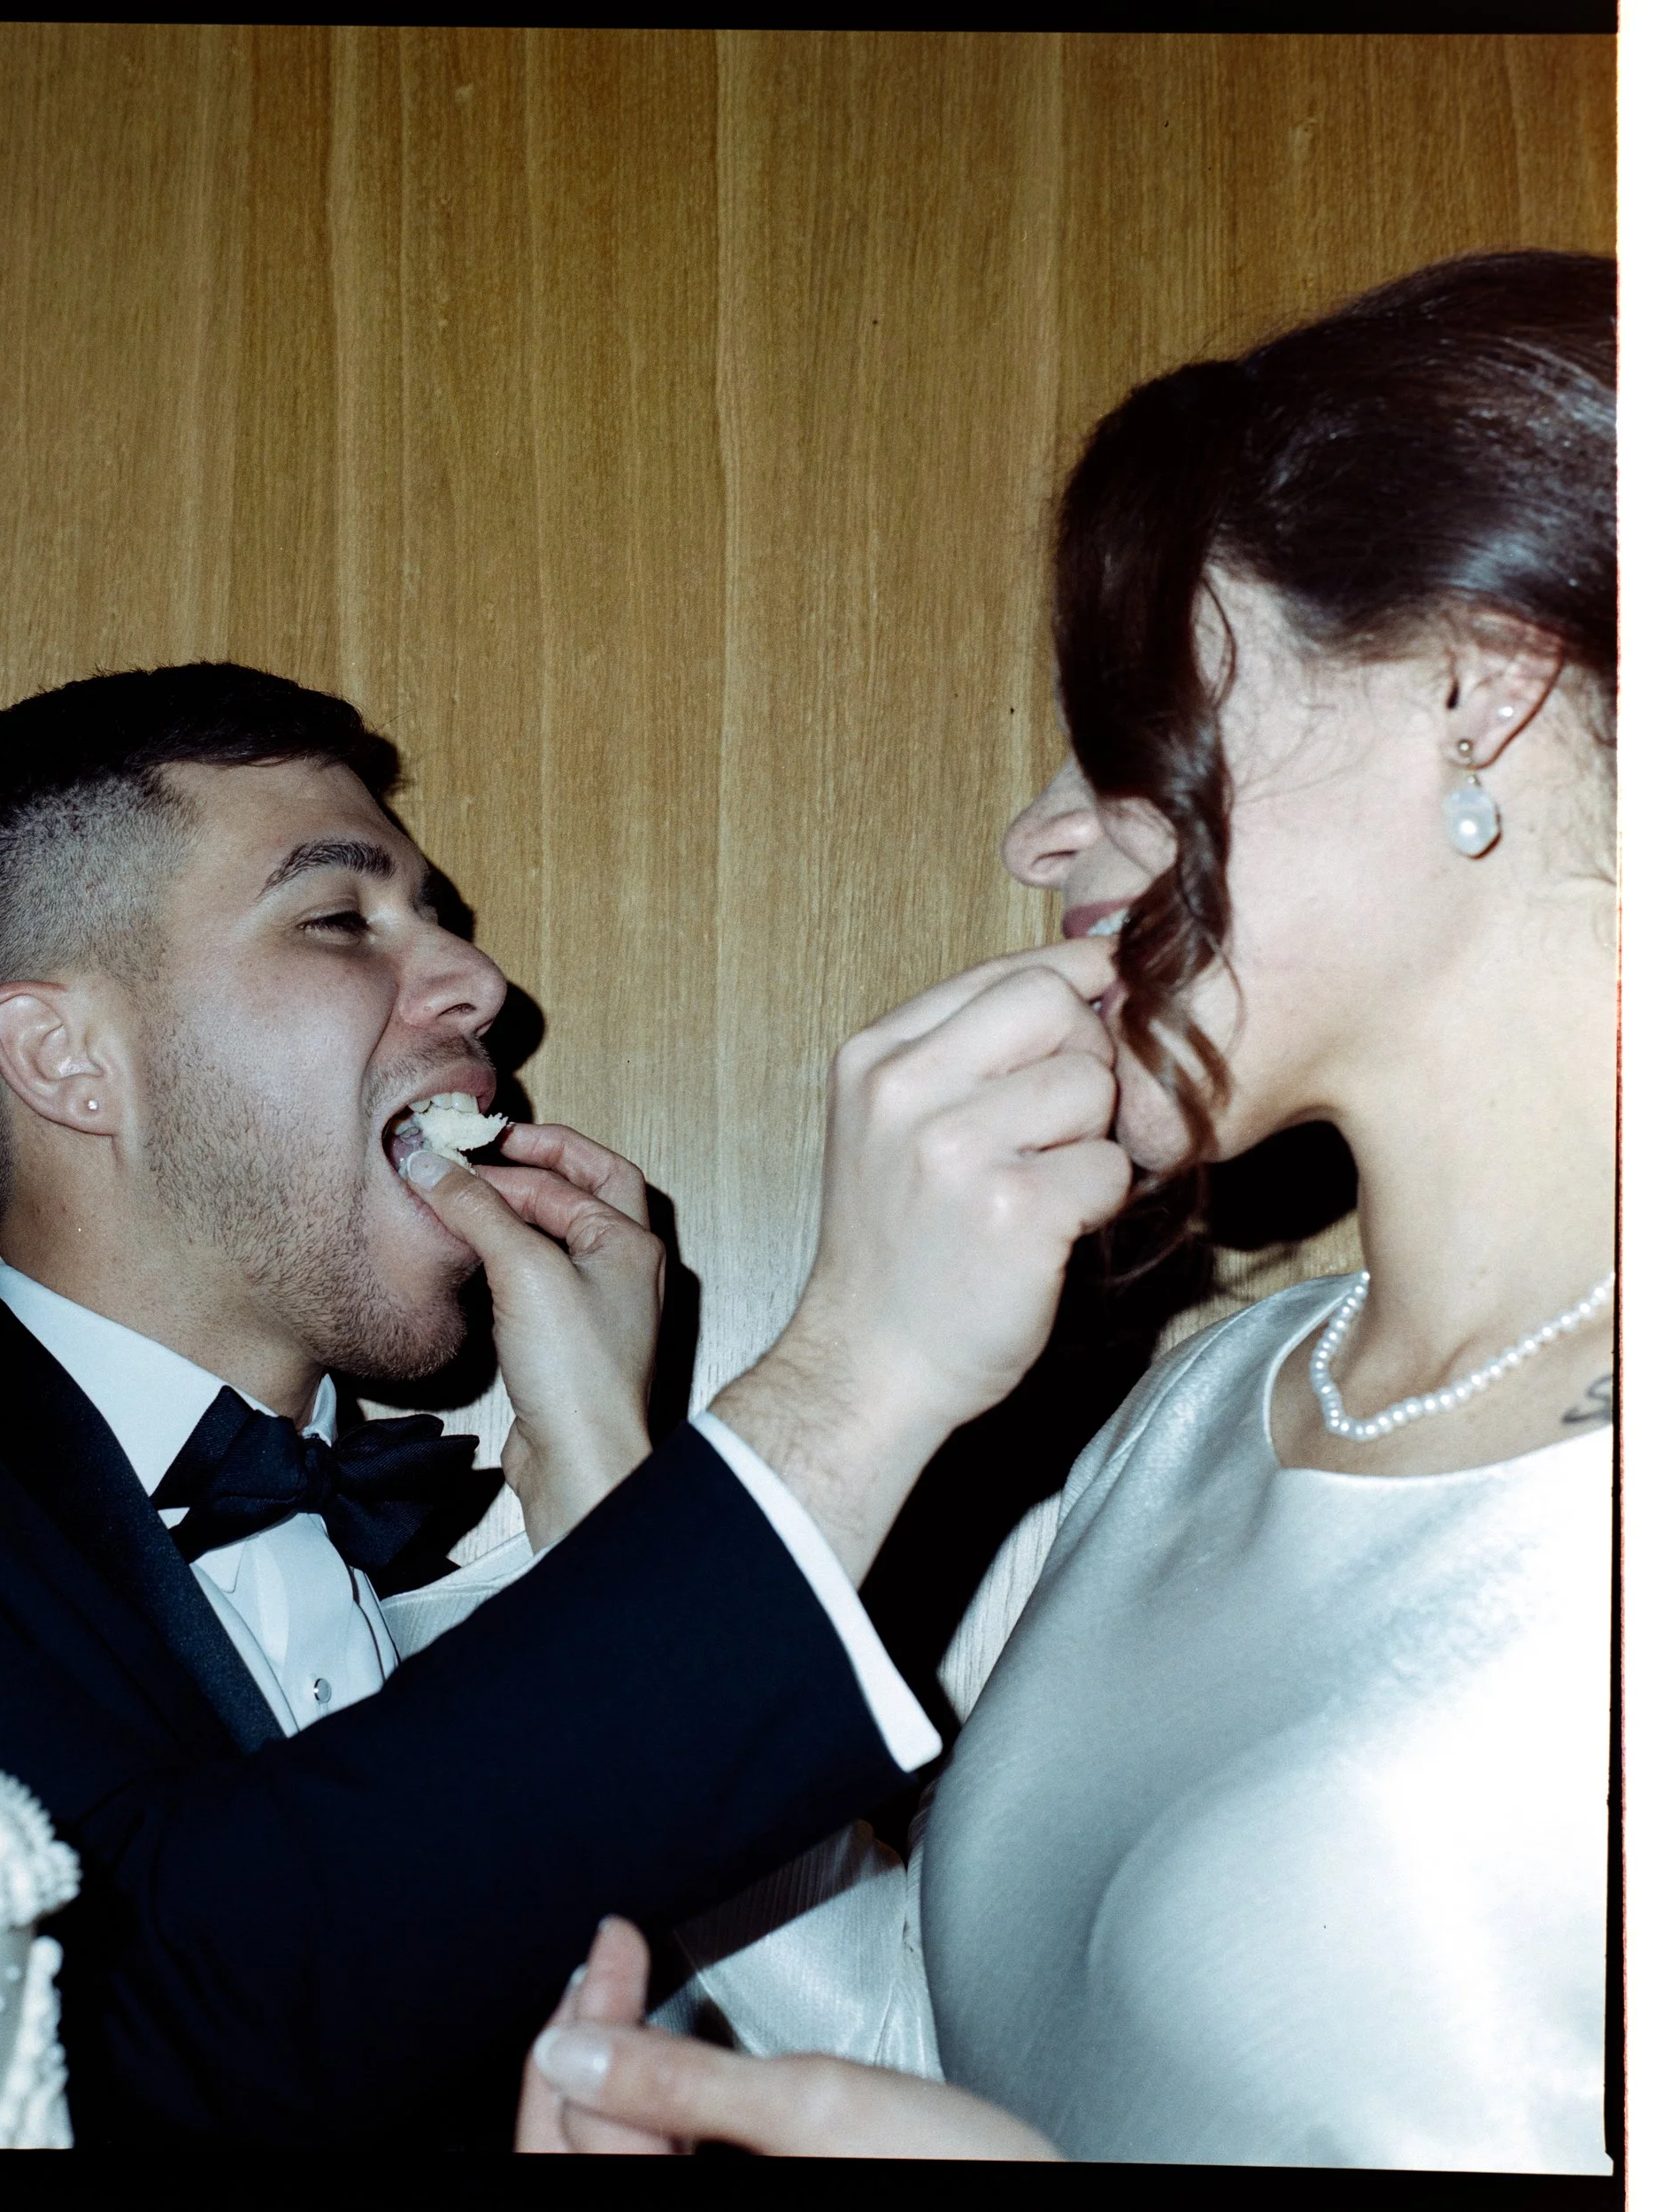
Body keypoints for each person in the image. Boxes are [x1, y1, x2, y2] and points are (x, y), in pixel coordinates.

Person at [0, 662, 1129, 2147]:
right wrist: (851, 1379)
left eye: (433, 916)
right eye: (338, 919)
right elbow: (140, 2021)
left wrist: (608, 1498)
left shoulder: (485, 1570)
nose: (482, 987)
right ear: (69, 1060)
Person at [515, 250, 1619, 2171]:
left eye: (1122, 720)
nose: (1037, 829)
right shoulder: (1198, 1408)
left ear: (1476, 678)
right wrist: (607, 1463)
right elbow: (928, 2017)